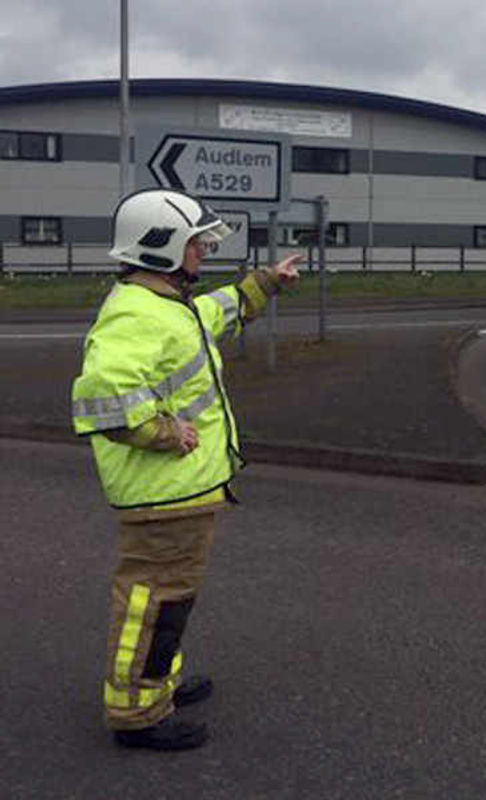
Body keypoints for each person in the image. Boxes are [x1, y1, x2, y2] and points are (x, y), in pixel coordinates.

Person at [71, 189, 300, 751]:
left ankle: (159, 683)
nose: (201, 251)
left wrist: (265, 282)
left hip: (181, 490)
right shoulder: (135, 316)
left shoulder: (165, 303)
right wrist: (167, 433)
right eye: (194, 242)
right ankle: (137, 712)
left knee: (170, 596)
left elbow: (213, 315)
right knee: (152, 598)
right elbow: (105, 399)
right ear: (161, 246)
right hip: (162, 491)